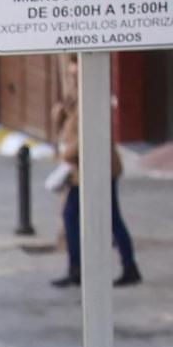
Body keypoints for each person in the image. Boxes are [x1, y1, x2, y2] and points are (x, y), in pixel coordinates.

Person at [52, 55, 142, 289]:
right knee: (82, 217)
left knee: (92, 217)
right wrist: (59, 113)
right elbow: (63, 130)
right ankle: (85, 268)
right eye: (70, 74)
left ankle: (85, 269)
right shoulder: (73, 98)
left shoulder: (93, 95)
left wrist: (66, 155)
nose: (72, 78)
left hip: (97, 169)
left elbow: (86, 137)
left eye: (75, 74)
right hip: (79, 170)